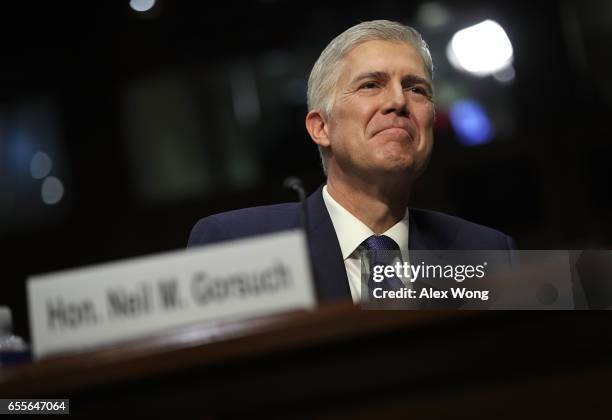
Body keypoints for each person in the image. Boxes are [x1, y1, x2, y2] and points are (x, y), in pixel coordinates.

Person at [187, 20, 516, 303]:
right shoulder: (239, 244)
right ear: (321, 127)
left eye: (416, 89)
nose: (399, 101)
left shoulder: (487, 253)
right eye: (371, 85)